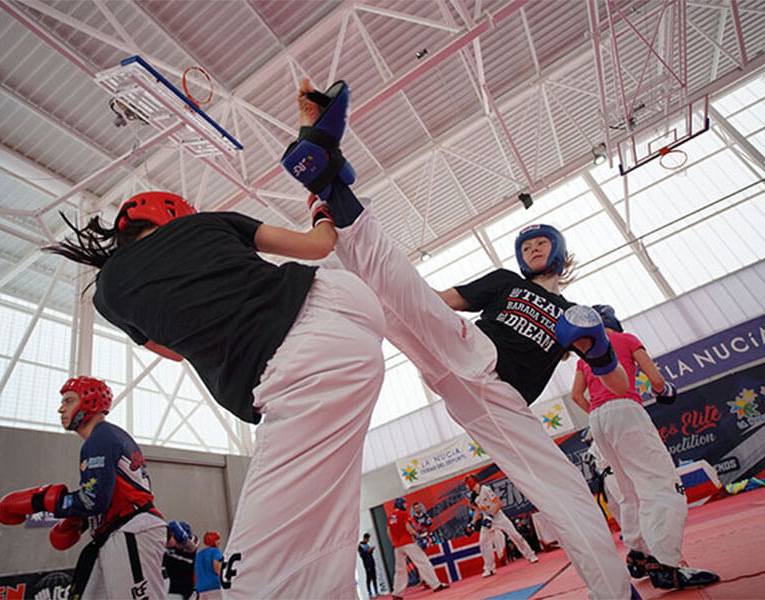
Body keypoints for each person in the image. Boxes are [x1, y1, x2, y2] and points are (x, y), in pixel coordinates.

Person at [283, 77, 636, 599]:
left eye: (543, 243)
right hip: (467, 349)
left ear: (561, 253)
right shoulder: (505, 281)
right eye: (528, 245)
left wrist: (601, 350)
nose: (534, 249)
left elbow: (620, 384)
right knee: (393, 293)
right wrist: (402, 293)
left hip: (499, 404)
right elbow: (423, 297)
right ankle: (326, 177)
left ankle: (618, 593)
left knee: (565, 495)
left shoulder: (581, 314)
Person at [44, 191, 386, 596]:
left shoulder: (107, 293)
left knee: (251, 575)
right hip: (341, 302)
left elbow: (173, 353)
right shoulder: (209, 222)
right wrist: (321, 212)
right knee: (318, 538)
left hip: (300, 370)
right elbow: (319, 245)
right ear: (175, 214)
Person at [571, 305, 720, 590]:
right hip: (626, 409)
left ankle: (639, 553)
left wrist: (600, 412)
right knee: (661, 483)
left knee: (628, 491)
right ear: (614, 321)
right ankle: (665, 564)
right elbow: (657, 381)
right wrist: (662, 391)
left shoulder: (585, 355)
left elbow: (577, 395)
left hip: (598, 419)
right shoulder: (627, 340)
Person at [0, 376, 167, 599]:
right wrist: (79, 521)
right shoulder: (107, 436)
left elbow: (93, 500)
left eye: (69, 401)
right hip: (117, 531)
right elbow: (108, 495)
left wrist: (39, 500)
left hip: (130, 530)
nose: (61, 409)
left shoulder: (100, 438)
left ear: (90, 402)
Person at [464, 475, 537, 577]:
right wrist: (472, 523)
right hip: (487, 519)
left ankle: (530, 555)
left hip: (498, 516)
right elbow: (477, 511)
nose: (466, 486)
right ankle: (489, 568)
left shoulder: (485, 489)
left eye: (467, 483)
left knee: (514, 535)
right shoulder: (473, 496)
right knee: (483, 542)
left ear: (472, 482)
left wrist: (491, 516)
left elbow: (498, 503)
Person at [387, 498, 447, 599]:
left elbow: (389, 532)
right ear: (400, 504)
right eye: (405, 504)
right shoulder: (403, 514)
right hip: (408, 543)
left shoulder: (390, 517)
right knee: (423, 563)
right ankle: (436, 585)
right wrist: (418, 536)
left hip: (397, 547)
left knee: (400, 570)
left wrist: (394, 543)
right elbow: (409, 529)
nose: (406, 506)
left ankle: (397, 593)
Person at [163, 520, 198, 600]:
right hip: (170, 593)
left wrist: (182, 538)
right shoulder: (166, 551)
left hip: (184, 594)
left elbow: (192, 548)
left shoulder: (189, 552)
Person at [195, 531, 223, 599]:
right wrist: (222, 577)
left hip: (200, 587)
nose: (219, 542)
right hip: (214, 585)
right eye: (217, 540)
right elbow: (216, 565)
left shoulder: (198, 554)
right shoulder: (215, 551)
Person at [358, 533, 379, 598]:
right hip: (367, 564)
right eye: (367, 539)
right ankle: (370, 593)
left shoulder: (367, 545)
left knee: (374, 577)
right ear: (364, 538)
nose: (368, 540)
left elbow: (370, 553)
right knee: (369, 578)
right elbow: (362, 555)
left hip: (372, 562)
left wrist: (371, 550)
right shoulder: (360, 546)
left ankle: (376, 591)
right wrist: (368, 551)